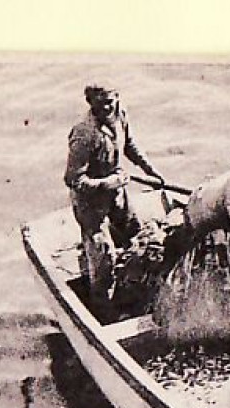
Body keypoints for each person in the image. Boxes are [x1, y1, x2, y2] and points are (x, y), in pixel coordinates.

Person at [65, 85, 163, 306]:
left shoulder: (120, 114)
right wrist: (107, 183)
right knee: (103, 261)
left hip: (117, 192)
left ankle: (139, 291)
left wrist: (151, 170)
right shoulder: (84, 133)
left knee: (139, 235)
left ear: (117, 97)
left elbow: (129, 145)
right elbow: (73, 180)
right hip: (91, 203)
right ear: (90, 103)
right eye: (100, 104)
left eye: (110, 101)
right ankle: (103, 310)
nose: (107, 107)